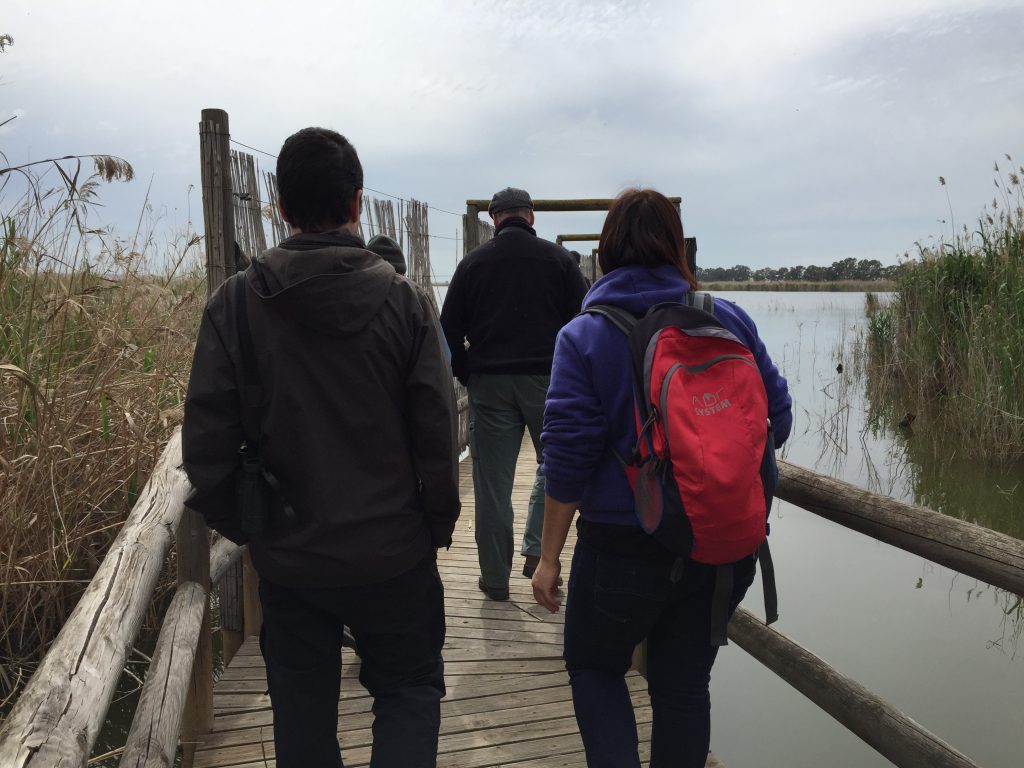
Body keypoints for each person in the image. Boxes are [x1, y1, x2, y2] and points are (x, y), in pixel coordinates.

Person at [182, 127, 460, 768]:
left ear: (281, 205)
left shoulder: (236, 303)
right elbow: (436, 436)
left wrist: (251, 526)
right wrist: (434, 527)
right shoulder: (406, 303)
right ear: (357, 203)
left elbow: (206, 443)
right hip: (394, 553)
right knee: (410, 692)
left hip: (291, 559)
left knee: (302, 716)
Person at [533, 188, 792, 767]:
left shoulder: (583, 336)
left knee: (596, 669)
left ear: (604, 253)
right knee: (682, 688)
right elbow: (778, 415)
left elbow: (567, 461)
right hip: (720, 549)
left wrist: (548, 558)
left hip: (621, 550)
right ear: (678, 248)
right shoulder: (726, 317)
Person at [440, 187, 588, 600]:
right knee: (553, 468)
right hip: (550, 381)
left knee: (491, 486)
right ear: (532, 217)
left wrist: (467, 371)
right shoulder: (559, 261)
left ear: (494, 219)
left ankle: (494, 580)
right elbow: (582, 322)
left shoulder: (473, 263)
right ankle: (538, 551)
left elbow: (448, 327)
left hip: (490, 383)